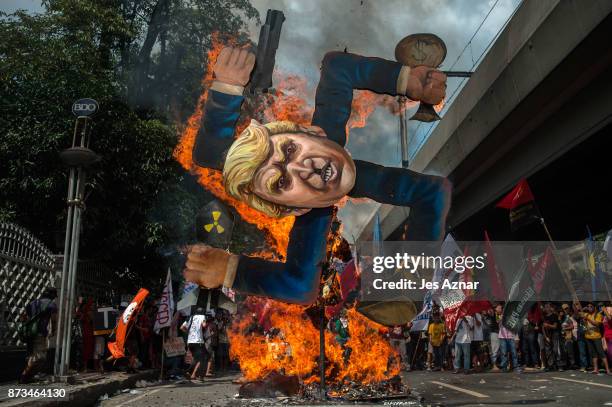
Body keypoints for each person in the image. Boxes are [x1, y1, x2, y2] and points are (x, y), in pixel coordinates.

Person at [183, 47, 451, 310]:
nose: (304, 168)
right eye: (281, 183)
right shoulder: (313, 216)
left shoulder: (326, 132)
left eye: (290, 149)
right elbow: (300, 287)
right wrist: (230, 270)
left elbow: (338, 68)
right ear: (295, 208)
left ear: (312, 131)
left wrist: (226, 89)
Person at [19, 287, 57, 383]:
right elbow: (53, 320)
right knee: (40, 357)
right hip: (40, 333)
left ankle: (27, 378)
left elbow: (23, 316)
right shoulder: (52, 304)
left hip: (29, 333)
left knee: (32, 355)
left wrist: (28, 326)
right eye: (54, 296)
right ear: (52, 295)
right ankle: (24, 376)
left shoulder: (33, 303)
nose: (54, 298)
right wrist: (53, 330)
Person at [583, 302, 611, 375]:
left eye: (591, 306)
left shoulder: (598, 315)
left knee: (601, 353)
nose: (589, 307)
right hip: (588, 336)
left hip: (596, 337)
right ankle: (596, 369)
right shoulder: (586, 314)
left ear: (594, 307)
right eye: (588, 306)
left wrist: (588, 319)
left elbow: (596, 324)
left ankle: (608, 370)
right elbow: (579, 313)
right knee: (593, 354)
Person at [180, 307, 207, 380]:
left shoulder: (190, 317)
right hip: (198, 341)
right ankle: (190, 372)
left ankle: (191, 373)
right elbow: (204, 325)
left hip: (190, 341)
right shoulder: (202, 316)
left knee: (196, 358)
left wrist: (189, 333)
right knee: (202, 358)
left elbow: (182, 327)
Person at [542, 302, 561, 371]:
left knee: (555, 350)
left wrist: (548, 325)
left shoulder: (554, 316)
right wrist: (546, 337)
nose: (546, 308)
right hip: (547, 335)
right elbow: (543, 328)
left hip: (554, 334)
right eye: (545, 307)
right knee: (548, 351)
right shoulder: (544, 316)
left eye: (547, 307)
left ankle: (558, 365)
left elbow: (555, 326)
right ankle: (550, 365)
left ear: (550, 308)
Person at [559, 304, 576, 370]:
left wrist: (565, 329)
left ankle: (572, 364)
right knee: (563, 352)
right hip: (562, 337)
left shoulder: (568, 317)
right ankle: (565, 365)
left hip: (568, 336)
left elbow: (572, 326)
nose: (565, 310)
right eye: (564, 309)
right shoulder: (560, 318)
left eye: (566, 308)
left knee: (570, 351)